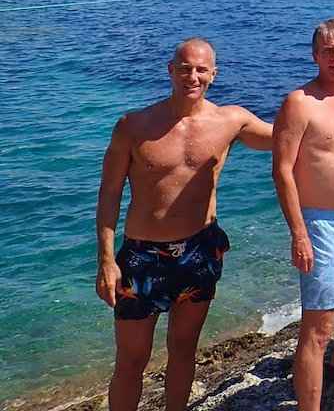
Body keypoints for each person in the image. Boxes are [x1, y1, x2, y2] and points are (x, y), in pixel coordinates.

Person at [95, 38, 272, 411]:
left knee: (183, 350)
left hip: (199, 251)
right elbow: (109, 195)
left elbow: (288, 135)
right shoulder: (134, 126)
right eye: (185, 67)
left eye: (201, 69)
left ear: (213, 73)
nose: (193, 76)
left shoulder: (232, 121)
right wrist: (106, 260)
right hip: (142, 257)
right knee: (131, 361)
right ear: (171, 70)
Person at [271, 20, 334, 410]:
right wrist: (299, 233)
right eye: (328, 51)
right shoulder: (299, 102)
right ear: (315, 56)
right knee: (318, 327)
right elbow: (282, 170)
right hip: (323, 224)